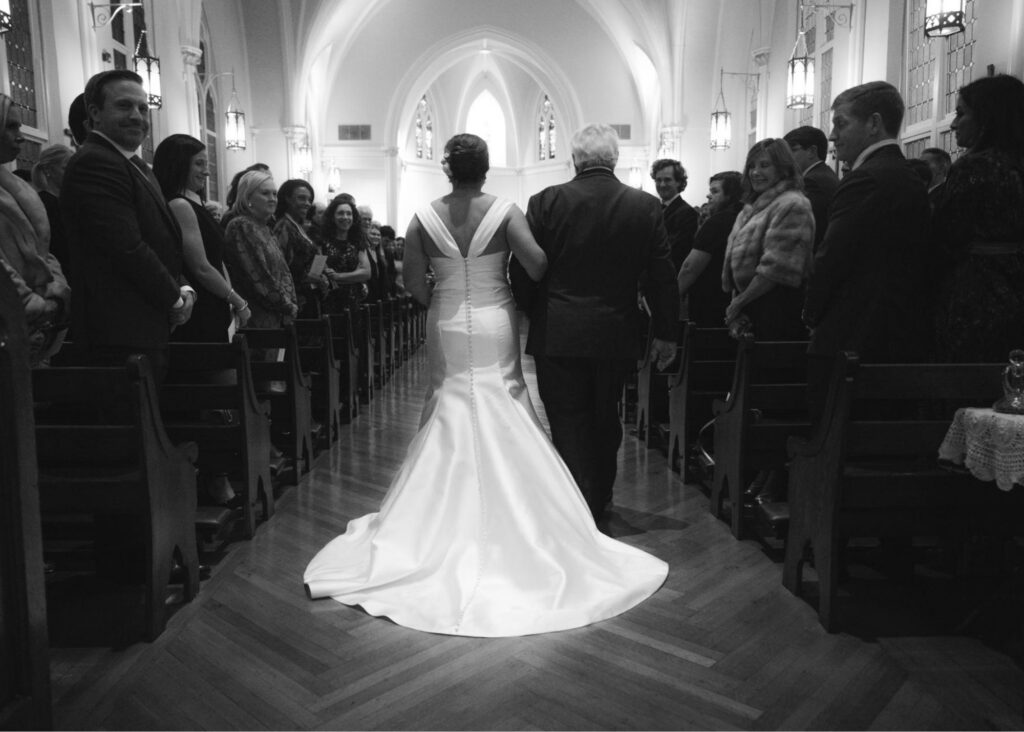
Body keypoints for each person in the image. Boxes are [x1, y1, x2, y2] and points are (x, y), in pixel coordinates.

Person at [304, 133, 667, 637]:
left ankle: (429, 523)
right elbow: (537, 264)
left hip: (448, 319)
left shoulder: (423, 217)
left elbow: (411, 284)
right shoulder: (505, 211)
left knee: (450, 400)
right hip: (495, 318)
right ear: (487, 167)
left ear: (447, 169)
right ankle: (530, 518)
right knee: (504, 398)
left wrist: (445, 288)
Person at [516, 123, 678, 523]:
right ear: (615, 160)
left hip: (558, 331)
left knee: (567, 419)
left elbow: (521, 269)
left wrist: (533, 310)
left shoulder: (545, 201)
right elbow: (662, 275)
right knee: (605, 416)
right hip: (616, 330)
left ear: (574, 159)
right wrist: (667, 333)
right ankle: (600, 496)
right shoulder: (645, 206)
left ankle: (575, 502)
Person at [803, 81, 931, 423]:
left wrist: (811, 314)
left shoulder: (866, 179)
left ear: (873, 123)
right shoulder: (907, 175)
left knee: (833, 434)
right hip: (899, 330)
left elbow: (832, 258)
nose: (832, 136)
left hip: (853, 332)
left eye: (841, 123)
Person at [61, 70, 194, 380]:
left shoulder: (133, 166)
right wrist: (174, 298)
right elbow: (126, 247)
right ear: (94, 113)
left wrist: (183, 286)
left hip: (143, 328)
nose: (137, 116)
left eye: (143, 108)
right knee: (130, 425)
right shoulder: (96, 162)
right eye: (124, 106)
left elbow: (161, 241)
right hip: (117, 335)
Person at [931, 74, 1024, 363]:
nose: (954, 123)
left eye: (961, 113)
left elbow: (946, 236)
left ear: (987, 118)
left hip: (979, 293)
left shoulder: (976, 166)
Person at [152, 133, 249, 343]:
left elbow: (217, 260)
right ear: (178, 165)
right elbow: (201, 267)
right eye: (199, 163)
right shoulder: (180, 205)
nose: (206, 171)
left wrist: (230, 299)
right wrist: (239, 301)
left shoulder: (195, 203)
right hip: (202, 304)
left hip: (215, 298)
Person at [0, 95, 70, 366]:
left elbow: (43, 250)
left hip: (35, 326)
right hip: (13, 319)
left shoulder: (16, 188)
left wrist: (56, 292)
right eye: (10, 127)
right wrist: (32, 304)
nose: (20, 137)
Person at [722, 138, 813, 341]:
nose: (755, 172)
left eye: (765, 165)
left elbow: (776, 269)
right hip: (753, 306)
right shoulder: (753, 208)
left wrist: (738, 303)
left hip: (776, 310)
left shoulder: (792, 204)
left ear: (782, 168)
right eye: (751, 166)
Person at [222, 170, 297, 328]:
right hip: (256, 317)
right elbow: (258, 276)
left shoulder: (264, 227)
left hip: (276, 314)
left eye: (274, 194)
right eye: (265, 193)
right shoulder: (241, 226)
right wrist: (287, 305)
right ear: (248, 197)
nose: (272, 199)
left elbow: (282, 272)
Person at [676, 171, 742, 327]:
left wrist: (673, 296)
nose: (708, 196)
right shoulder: (748, 217)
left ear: (730, 194)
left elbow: (690, 267)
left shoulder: (718, 222)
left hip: (709, 300)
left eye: (715, 191)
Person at [273, 178, 325, 318]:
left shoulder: (297, 225)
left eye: (309, 199)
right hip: (296, 297)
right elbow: (281, 267)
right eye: (301, 198)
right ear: (287, 199)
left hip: (308, 293)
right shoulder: (283, 226)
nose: (307, 203)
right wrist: (311, 278)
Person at [783, 125, 839, 252]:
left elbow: (805, 231)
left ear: (812, 151)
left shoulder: (812, 182)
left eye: (792, 151)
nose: (785, 159)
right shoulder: (823, 174)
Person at [319, 193, 371, 312]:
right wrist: (354, 275)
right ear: (332, 217)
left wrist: (338, 276)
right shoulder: (321, 241)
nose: (345, 217)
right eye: (340, 213)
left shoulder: (358, 241)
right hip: (328, 301)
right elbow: (319, 272)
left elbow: (366, 273)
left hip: (353, 301)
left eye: (349, 214)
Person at [30, 144, 74, 276]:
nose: (71, 174)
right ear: (49, 170)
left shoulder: (68, 201)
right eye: (66, 169)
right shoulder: (44, 203)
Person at [650, 158, 699, 272]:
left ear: (679, 182)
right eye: (658, 180)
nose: (662, 184)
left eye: (667, 180)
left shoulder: (687, 213)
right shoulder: (655, 209)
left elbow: (675, 252)